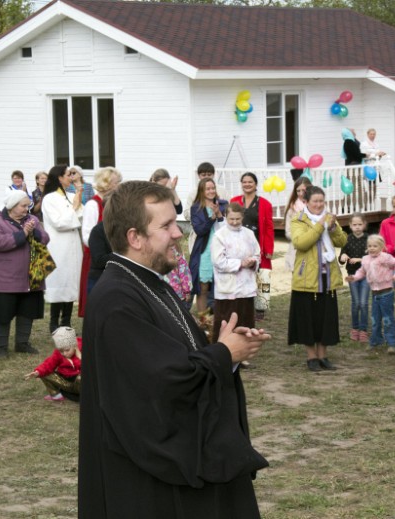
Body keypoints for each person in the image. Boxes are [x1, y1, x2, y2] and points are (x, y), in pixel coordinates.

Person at [79, 180, 270, 517]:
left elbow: (173, 356)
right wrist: (225, 355)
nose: (178, 234)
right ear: (135, 237)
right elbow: (163, 382)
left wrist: (223, 349)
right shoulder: (117, 300)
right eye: (166, 226)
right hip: (148, 479)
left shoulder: (148, 281)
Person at [288, 186, 348, 372]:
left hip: (327, 276)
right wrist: (320, 225)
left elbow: (342, 242)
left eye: (321, 201)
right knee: (308, 319)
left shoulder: (328, 219)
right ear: (306, 202)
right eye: (315, 201)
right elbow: (301, 243)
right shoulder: (298, 219)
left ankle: (323, 355)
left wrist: (333, 229)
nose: (319, 204)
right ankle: (311, 357)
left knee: (326, 318)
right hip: (306, 278)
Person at [0, 190, 50, 357]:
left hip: (30, 275)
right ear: (12, 206)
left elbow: (45, 239)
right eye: (23, 206)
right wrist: (23, 234)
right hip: (5, 277)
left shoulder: (33, 219)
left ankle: (22, 343)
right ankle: (1, 347)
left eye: (27, 205)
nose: (26, 208)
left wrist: (34, 231)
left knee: (27, 310)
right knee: (3, 313)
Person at [41, 165, 83, 332]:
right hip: (58, 246)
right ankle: (53, 322)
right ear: (59, 177)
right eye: (68, 175)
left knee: (71, 282)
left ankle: (66, 321)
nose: (71, 178)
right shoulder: (49, 199)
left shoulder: (71, 195)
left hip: (73, 244)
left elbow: (82, 215)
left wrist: (78, 198)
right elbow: (59, 222)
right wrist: (74, 208)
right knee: (59, 282)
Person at [211, 203, 261, 341]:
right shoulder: (219, 236)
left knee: (246, 321)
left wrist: (253, 262)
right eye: (231, 219)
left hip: (246, 286)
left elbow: (257, 254)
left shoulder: (249, 234)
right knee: (226, 322)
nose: (234, 222)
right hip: (228, 288)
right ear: (226, 216)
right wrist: (239, 263)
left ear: (242, 217)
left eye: (237, 219)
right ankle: (222, 351)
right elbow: (218, 261)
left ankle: (243, 353)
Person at [230, 172, 274, 320]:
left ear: (256, 184)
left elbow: (268, 227)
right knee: (242, 276)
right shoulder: (235, 201)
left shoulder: (265, 204)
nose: (247, 184)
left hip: (258, 246)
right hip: (239, 246)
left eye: (250, 182)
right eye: (244, 182)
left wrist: (268, 249)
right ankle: (242, 306)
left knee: (261, 277)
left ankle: (260, 309)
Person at [79, 167, 122, 317]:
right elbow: (87, 235)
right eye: (117, 182)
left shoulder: (115, 202)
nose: (119, 185)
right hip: (97, 256)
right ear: (107, 183)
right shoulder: (93, 204)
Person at [347, 234, 395, 353]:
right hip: (375, 294)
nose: (372, 248)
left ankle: (391, 343)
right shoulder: (366, 259)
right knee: (375, 319)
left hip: (386, 293)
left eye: (375, 246)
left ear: (381, 247)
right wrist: (354, 277)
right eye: (369, 246)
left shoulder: (385, 257)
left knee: (387, 319)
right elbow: (362, 272)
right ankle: (376, 340)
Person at [189, 178, 228, 314]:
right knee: (203, 288)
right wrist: (212, 218)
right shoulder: (196, 208)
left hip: (221, 250)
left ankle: (220, 319)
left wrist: (219, 215)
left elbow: (227, 230)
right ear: (202, 190)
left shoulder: (223, 205)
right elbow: (200, 230)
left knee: (221, 287)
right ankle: (203, 321)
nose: (211, 191)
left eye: (213, 188)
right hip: (204, 252)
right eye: (208, 189)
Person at [24, 326, 81, 402]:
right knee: (44, 373)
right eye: (61, 351)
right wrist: (38, 372)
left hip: (81, 383)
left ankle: (85, 397)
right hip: (66, 382)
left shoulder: (84, 349)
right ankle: (56, 395)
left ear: (74, 346)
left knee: (81, 377)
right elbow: (49, 364)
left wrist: (79, 355)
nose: (64, 353)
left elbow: (91, 368)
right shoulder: (58, 354)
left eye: (67, 350)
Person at [339, 213, 369, 342]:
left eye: (360, 224)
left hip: (366, 275)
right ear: (350, 226)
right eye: (354, 225)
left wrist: (360, 259)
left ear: (364, 225)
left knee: (363, 303)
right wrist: (343, 257)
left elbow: (374, 257)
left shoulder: (369, 239)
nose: (357, 227)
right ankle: (355, 328)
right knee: (355, 303)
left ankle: (363, 330)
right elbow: (340, 259)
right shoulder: (347, 239)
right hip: (352, 275)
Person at [283, 176, 313, 271]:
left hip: (313, 249)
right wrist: (299, 239)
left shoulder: (317, 205)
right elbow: (288, 231)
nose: (300, 194)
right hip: (297, 249)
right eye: (298, 191)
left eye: (303, 190)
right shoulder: (292, 209)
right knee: (298, 279)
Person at [164, 242, 193, 309]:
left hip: (164, 294)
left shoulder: (155, 251)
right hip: (178, 294)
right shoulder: (175, 252)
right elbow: (184, 273)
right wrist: (187, 291)